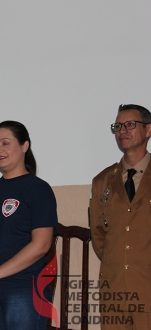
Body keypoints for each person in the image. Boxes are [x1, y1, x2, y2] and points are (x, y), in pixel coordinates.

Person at [0, 121, 58, 330]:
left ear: (25, 145)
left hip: (24, 288)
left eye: (5, 143)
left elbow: (41, 245)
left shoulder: (39, 189)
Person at [90, 104, 151, 329]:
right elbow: (98, 237)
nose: (122, 131)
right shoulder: (102, 181)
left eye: (130, 125)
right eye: (118, 126)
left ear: (148, 130)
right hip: (114, 291)